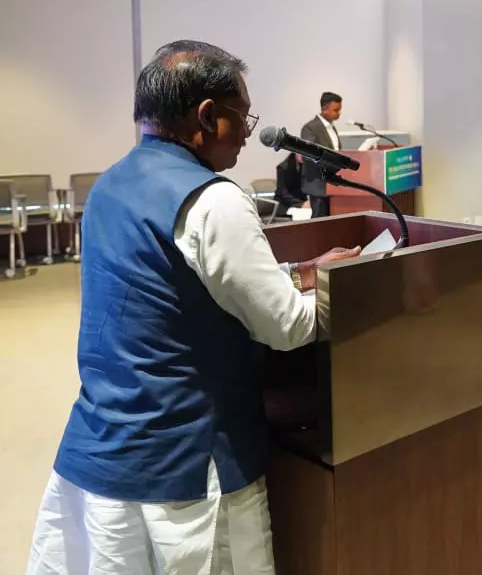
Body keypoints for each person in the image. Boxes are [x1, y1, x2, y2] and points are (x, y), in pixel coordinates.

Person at [27, 41, 362, 575]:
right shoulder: (215, 199)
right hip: (189, 468)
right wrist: (353, 285)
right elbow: (287, 326)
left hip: (104, 444)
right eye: (242, 116)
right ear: (207, 117)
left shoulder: (110, 185)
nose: (248, 133)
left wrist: (301, 271)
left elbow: (178, 286)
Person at [300, 91, 343, 217]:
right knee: (320, 221)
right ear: (324, 109)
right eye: (336, 110)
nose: (339, 113)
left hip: (332, 183)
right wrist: (332, 164)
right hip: (318, 184)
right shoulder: (310, 128)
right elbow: (308, 155)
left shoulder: (331, 127)